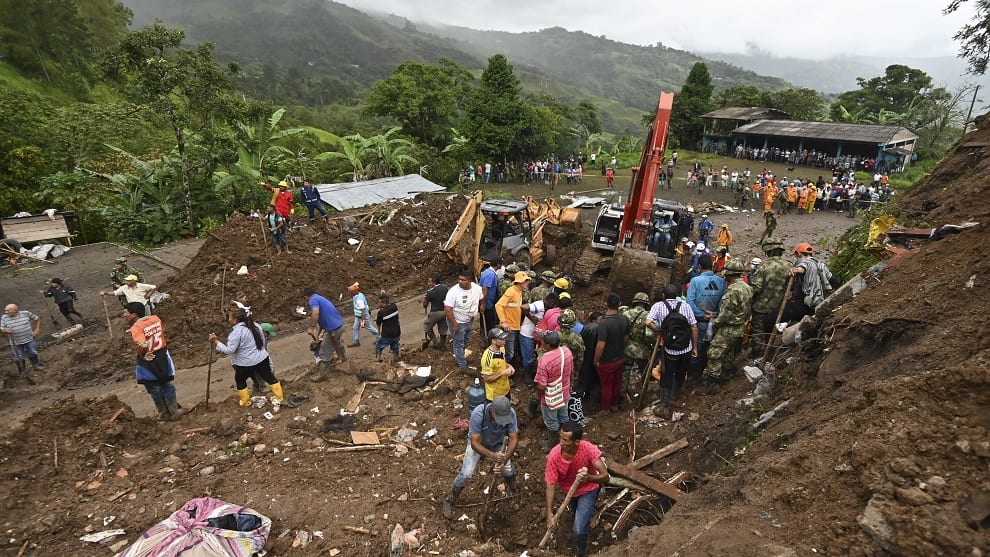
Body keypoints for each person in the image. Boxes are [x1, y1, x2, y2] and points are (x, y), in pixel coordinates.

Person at [442, 396, 519, 519]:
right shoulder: (478, 414)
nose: (503, 421)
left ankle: (512, 490)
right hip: (479, 444)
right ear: (492, 411)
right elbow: (474, 443)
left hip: (498, 445)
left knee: (508, 470)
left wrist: (503, 460)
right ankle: (450, 500)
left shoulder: (511, 414)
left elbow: (514, 438)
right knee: (466, 473)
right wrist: (494, 456)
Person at [544, 421, 609, 557]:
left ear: (576, 442)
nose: (561, 443)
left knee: (578, 530)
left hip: (588, 489)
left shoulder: (588, 449)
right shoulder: (554, 455)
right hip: (570, 491)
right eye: (560, 438)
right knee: (575, 511)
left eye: (565, 440)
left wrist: (589, 478)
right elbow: (550, 484)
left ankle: (581, 552)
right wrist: (549, 512)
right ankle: (583, 517)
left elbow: (605, 476)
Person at [209, 303, 293, 408]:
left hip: (244, 363)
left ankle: (245, 402)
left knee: (240, 381)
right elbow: (262, 342)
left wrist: (216, 342)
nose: (229, 320)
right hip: (262, 358)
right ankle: (279, 397)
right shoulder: (256, 325)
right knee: (270, 377)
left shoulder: (236, 333)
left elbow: (229, 350)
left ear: (235, 320)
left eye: (230, 317)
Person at [124, 302, 183, 420]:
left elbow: (143, 344)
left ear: (134, 315)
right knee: (167, 383)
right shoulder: (155, 319)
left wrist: (143, 353)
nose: (124, 315)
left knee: (154, 387)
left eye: (126, 313)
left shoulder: (136, 328)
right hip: (162, 354)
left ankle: (164, 414)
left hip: (149, 359)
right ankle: (174, 411)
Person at [646, 284, 698, 418]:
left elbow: (648, 322)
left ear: (663, 295)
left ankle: (664, 404)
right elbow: (694, 327)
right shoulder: (685, 306)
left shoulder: (658, 306)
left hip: (669, 349)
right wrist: (695, 347)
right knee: (681, 372)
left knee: (667, 374)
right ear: (677, 295)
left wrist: (658, 330)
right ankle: (675, 395)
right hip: (685, 347)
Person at [703, 259, 752, 390]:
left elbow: (726, 313)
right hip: (739, 327)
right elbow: (747, 310)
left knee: (714, 353)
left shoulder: (732, 291)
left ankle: (712, 383)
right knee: (728, 352)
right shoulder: (747, 288)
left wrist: (715, 324)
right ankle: (726, 374)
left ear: (729, 274)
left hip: (728, 328)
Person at [686, 254, 726, 382]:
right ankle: (699, 376)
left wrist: (703, 314)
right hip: (714, 323)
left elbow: (689, 304)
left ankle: (691, 378)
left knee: (695, 349)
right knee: (708, 349)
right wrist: (715, 314)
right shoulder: (721, 282)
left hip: (698, 323)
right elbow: (723, 303)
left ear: (699, 266)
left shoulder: (695, 281)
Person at [749, 238, 792, 356]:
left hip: (761, 308)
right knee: (774, 333)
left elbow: (755, 289)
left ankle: (758, 357)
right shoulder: (789, 266)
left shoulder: (764, 267)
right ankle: (771, 355)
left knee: (758, 334)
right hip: (780, 310)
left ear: (768, 252)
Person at [535, 330, 573, 449]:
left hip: (550, 397)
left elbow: (542, 385)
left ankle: (553, 443)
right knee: (563, 416)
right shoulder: (566, 351)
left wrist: (537, 396)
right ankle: (567, 438)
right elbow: (571, 371)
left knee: (551, 421)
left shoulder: (544, 361)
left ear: (547, 345)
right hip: (565, 392)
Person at [594, 292, 630, 412]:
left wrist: (596, 360)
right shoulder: (625, 319)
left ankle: (605, 408)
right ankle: (614, 405)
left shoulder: (604, 323)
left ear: (605, 304)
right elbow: (626, 338)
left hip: (607, 360)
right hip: (620, 357)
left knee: (606, 385)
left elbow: (601, 345)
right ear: (619, 304)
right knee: (616, 382)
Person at [785, 243, 838, 321]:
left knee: (784, 313)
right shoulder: (821, 264)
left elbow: (802, 269)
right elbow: (834, 281)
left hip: (808, 304)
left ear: (799, 253)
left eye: (796, 255)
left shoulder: (805, 262)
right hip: (820, 302)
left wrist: (794, 270)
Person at [303, 287, 346, 382]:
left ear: (306, 297)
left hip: (333, 328)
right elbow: (320, 324)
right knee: (337, 343)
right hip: (337, 325)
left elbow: (315, 313)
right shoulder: (320, 298)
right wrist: (316, 338)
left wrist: (311, 327)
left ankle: (324, 374)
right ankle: (343, 359)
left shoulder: (313, 300)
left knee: (324, 351)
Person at [444, 269, 484, 371]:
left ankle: (460, 358)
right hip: (457, 322)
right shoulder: (453, 292)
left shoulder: (477, 289)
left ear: (470, 280)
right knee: (458, 343)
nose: (460, 281)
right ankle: (462, 366)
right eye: (459, 279)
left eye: (463, 280)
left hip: (468, 320)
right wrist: (454, 324)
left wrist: (481, 306)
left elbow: (481, 298)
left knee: (465, 341)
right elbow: (448, 309)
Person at [622, 292, 652, 405]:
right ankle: (644, 395)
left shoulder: (625, 313)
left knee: (625, 373)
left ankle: (622, 396)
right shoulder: (648, 315)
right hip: (642, 350)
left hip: (627, 348)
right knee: (644, 372)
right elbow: (649, 335)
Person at [495, 271, 531, 364]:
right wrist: (503, 322)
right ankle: (502, 370)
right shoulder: (511, 291)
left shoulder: (519, 291)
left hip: (515, 326)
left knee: (511, 351)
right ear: (519, 282)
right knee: (509, 353)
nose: (527, 282)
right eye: (526, 280)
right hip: (509, 327)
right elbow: (498, 305)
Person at [1, 304, 45, 371]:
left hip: (29, 339)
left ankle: (36, 366)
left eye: (8, 310)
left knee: (32, 352)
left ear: (15, 310)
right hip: (15, 342)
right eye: (5, 310)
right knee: (19, 357)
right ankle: (22, 371)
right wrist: (4, 330)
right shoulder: (4, 318)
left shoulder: (25, 313)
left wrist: (37, 329)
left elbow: (37, 318)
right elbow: (1, 328)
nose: (6, 312)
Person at [481, 327, 514, 401]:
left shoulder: (501, 348)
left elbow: (502, 361)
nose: (504, 341)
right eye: (501, 339)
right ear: (493, 341)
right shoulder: (487, 357)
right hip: (495, 396)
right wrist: (501, 373)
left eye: (504, 338)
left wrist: (509, 366)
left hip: (505, 389)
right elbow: (486, 379)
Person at [346, 282, 379, 347]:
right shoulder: (359, 294)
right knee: (355, 327)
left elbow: (363, 310)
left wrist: (363, 321)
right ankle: (356, 341)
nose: (349, 293)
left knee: (369, 328)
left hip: (363, 316)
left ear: (354, 292)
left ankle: (380, 338)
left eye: (350, 291)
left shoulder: (359, 300)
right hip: (358, 316)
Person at [421, 275, 449, 350]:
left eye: (429, 282)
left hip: (435, 313)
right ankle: (442, 344)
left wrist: (426, 297)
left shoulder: (430, 292)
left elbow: (425, 305)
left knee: (427, 326)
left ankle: (435, 342)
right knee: (443, 328)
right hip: (445, 311)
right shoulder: (445, 287)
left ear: (434, 283)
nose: (428, 283)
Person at [373, 294, 401, 363]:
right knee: (395, 345)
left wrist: (379, 333)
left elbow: (378, 323)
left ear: (384, 303)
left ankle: (378, 358)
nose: (378, 304)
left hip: (387, 335)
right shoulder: (394, 306)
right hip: (397, 332)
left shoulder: (381, 312)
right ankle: (396, 358)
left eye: (379, 302)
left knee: (379, 345)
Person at [479, 257, 502, 334]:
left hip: (487, 302)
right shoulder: (490, 275)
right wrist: (483, 304)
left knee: (484, 321)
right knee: (489, 324)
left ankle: (483, 335)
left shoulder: (487, 272)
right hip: (487, 303)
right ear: (498, 265)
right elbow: (485, 289)